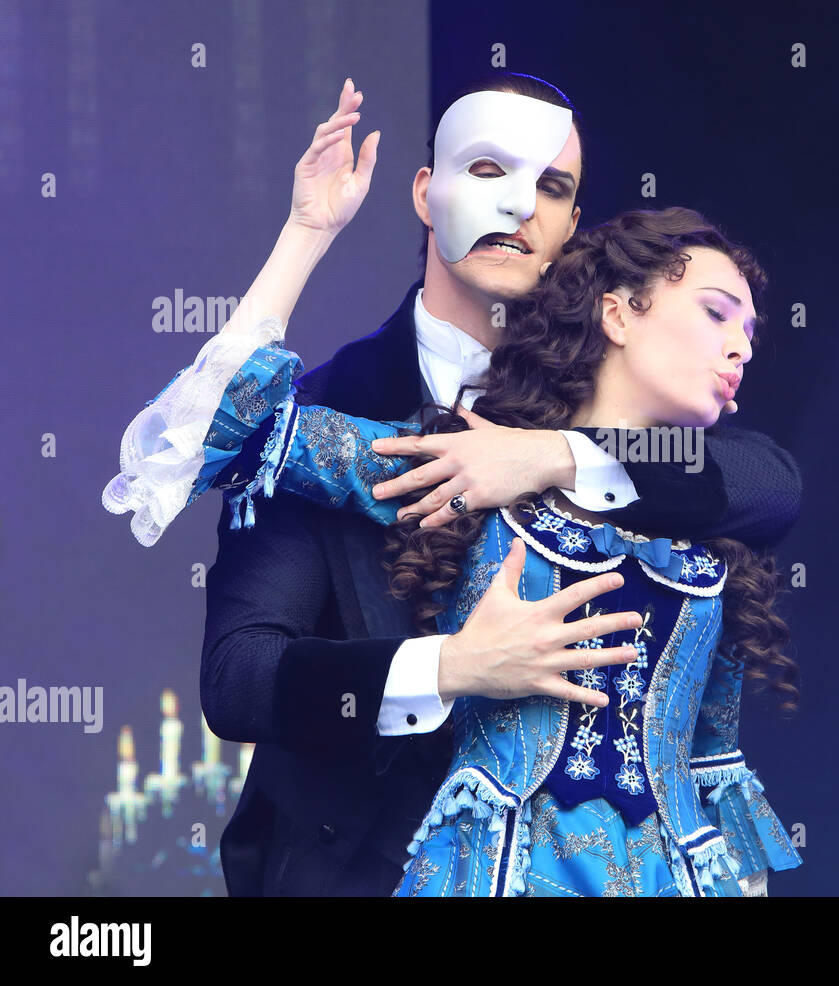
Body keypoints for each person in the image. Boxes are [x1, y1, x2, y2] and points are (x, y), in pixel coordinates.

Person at [104, 73, 801, 896]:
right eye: (487, 172)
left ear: (573, 227)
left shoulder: (653, 450)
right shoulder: (360, 419)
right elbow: (239, 676)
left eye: (552, 187)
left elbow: (772, 487)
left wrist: (548, 456)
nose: (518, 208)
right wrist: (452, 666)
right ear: (426, 194)